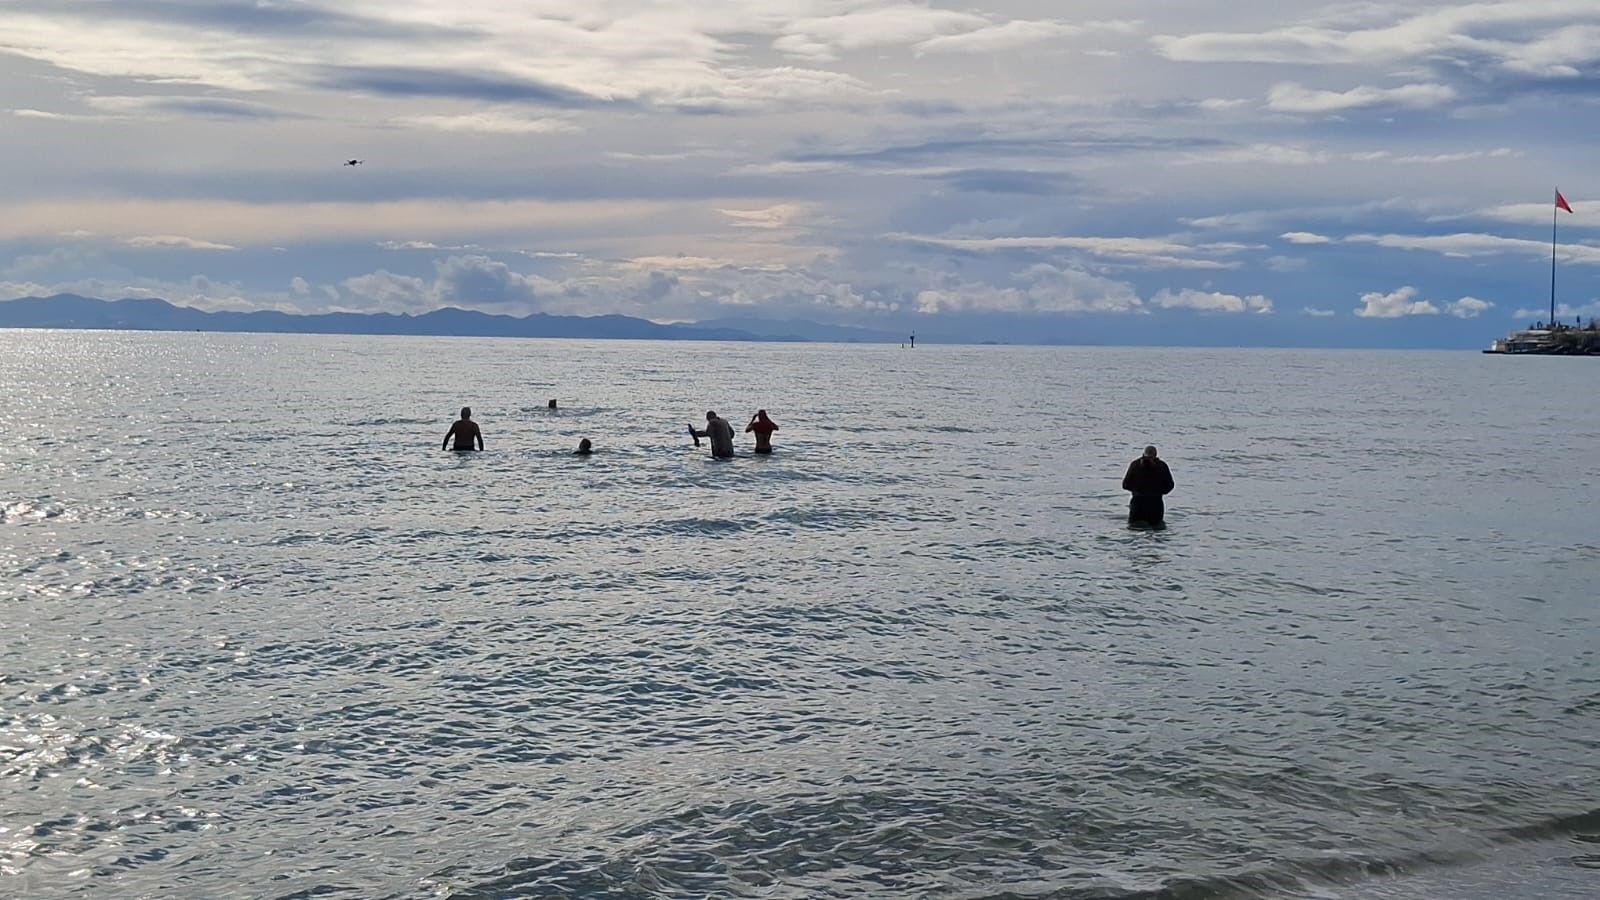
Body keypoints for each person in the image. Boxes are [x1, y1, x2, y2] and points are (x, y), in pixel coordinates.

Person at [1122, 445, 1174, 527]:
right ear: (1156, 455)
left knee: (1135, 530)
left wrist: (1136, 491)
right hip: (1156, 504)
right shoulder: (1162, 466)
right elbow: (1170, 485)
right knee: (1156, 530)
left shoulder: (1135, 465)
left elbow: (1125, 485)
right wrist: (1158, 492)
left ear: (1143, 454)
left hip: (1138, 503)